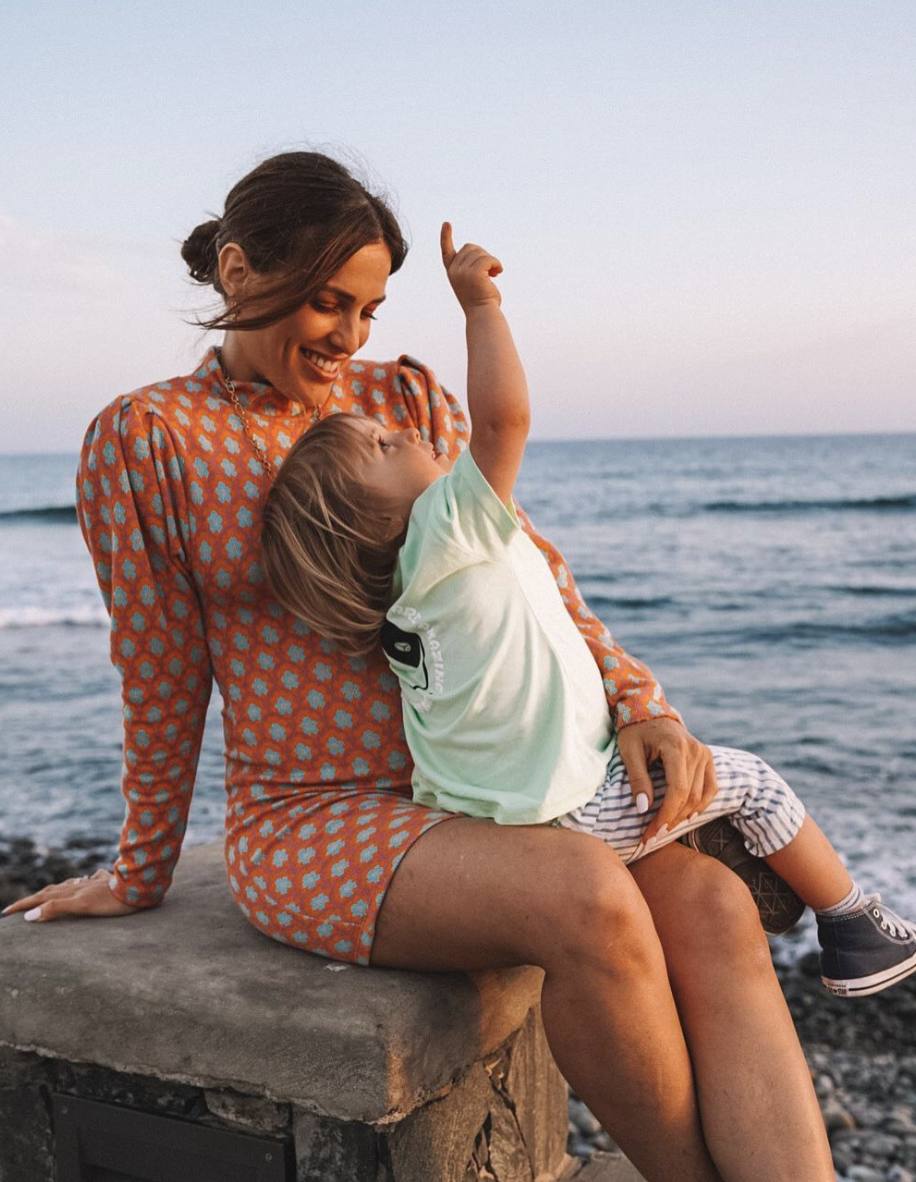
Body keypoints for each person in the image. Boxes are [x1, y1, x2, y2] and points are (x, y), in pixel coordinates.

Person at [1, 151, 839, 1181]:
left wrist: (638, 702)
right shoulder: (149, 439)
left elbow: (524, 568)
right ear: (236, 270)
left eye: (369, 310)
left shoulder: (405, 399)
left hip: (499, 789)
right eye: (325, 303)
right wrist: (139, 873)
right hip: (318, 817)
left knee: (710, 905)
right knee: (585, 892)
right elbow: (160, 674)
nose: (349, 337)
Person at [262, 221, 916, 1002]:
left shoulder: (403, 598)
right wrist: (480, 307)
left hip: (491, 824)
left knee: (687, 793)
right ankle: (852, 925)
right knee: (754, 779)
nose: (400, 429)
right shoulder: (445, 527)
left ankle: (738, 857)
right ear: (372, 520)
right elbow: (505, 422)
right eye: (377, 446)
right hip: (569, 813)